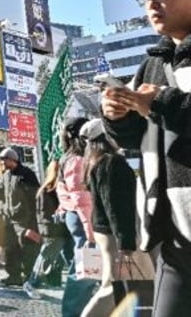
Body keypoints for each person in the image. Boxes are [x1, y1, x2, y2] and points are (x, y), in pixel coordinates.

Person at [101, 0, 191, 317]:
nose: (152, 3)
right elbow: (134, 137)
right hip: (175, 236)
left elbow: (163, 109)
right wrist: (118, 116)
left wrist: (161, 102)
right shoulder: (152, 62)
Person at [79, 120, 141, 317]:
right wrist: (126, 243)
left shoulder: (95, 161)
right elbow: (114, 205)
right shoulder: (111, 162)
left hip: (105, 230)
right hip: (114, 233)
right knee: (111, 287)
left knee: (111, 284)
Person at [55, 118, 98, 316]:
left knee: (87, 268)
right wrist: (90, 229)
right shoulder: (78, 159)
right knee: (86, 269)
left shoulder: (68, 157)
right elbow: (82, 197)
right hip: (84, 218)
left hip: (78, 216)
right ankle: (72, 312)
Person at [23, 161, 71, 298]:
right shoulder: (49, 189)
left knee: (60, 258)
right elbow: (45, 213)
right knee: (46, 258)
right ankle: (31, 283)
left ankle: (52, 281)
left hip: (57, 229)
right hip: (54, 230)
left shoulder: (49, 189)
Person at [0, 147, 41, 287]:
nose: (1, 162)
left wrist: (33, 222)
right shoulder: (5, 176)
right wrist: (4, 209)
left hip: (25, 219)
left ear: (12, 159)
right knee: (10, 249)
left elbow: (35, 198)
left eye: (3, 159)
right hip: (9, 218)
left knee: (27, 249)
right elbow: (2, 195)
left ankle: (29, 277)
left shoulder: (27, 174)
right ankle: (13, 275)